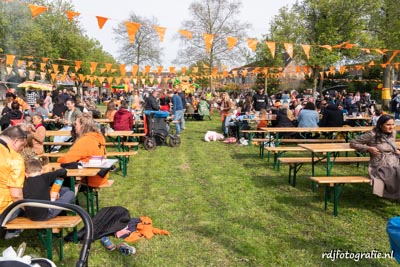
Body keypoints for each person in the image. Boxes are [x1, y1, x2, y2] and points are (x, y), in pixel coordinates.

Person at [350, 115, 400, 199]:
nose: (391, 127)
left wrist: (396, 149)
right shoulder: (372, 134)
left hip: (394, 160)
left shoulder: (393, 133)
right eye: (388, 125)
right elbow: (353, 143)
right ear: (380, 125)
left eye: (392, 124)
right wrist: (368, 148)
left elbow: (389, 145)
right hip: (380, 164)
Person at [57, 113, 109, 188]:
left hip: (90, 179)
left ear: (82, 126)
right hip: (101, 177)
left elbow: (65, 160)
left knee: (56, 178)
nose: (75, 126)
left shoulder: (85, 141)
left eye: (76, 124)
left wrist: (59, 160)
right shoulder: (97, 137)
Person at [0, 126, 27, 239]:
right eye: (22, 146)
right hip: (2, 210)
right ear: (16, 141)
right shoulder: (14, 158)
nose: (21, 150)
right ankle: (10, 233)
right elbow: (16, 195)